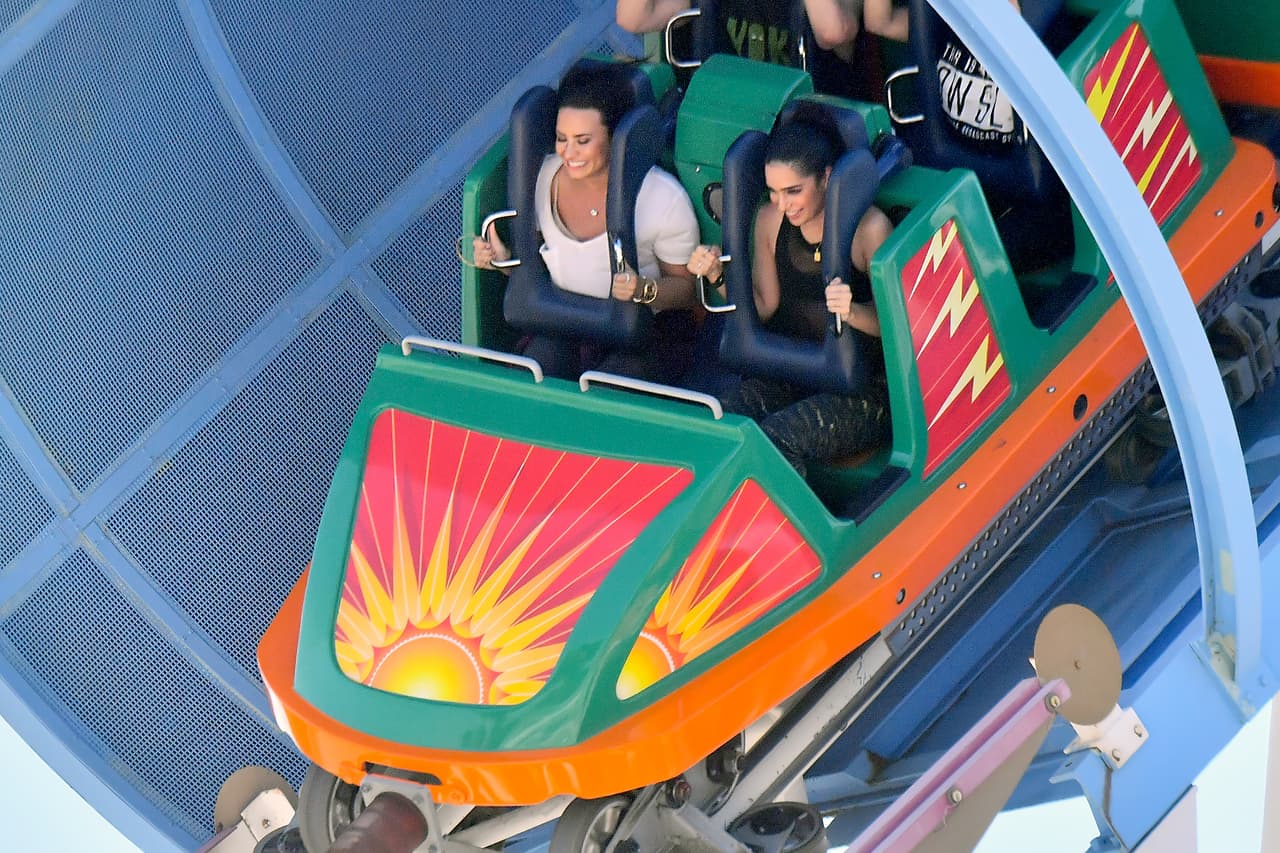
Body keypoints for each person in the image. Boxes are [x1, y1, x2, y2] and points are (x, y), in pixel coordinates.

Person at [687, 118, 893, 476]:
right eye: (773, 192)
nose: (783, 204)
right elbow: (763, 306)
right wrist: (717, 274)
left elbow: (901, 328)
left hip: (862, 388)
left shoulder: (870, 230)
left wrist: (853, 312)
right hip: (794, 371)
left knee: (779, 438)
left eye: (794, 191)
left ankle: (790, 530)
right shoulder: (771, 220)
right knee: (718, 419)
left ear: (826, 178)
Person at [473, 66, 700, 383]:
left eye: (583, 141)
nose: (569, 152)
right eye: (562, 139)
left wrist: (642, 290)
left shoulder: (662, 197)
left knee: (611, 383)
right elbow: (540, 265)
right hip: (565, 326)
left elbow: (689, 293)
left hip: (641, 337)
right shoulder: (543, 179)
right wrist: (502, 260)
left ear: (614, 139)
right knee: (540, 366)